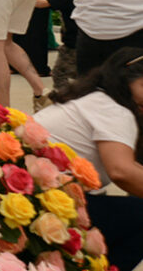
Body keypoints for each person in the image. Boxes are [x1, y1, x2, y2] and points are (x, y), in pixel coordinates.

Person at [35, 47, 143, 271]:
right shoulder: (114, 110)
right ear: (124, 79)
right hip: (41, 203)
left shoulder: (93, 97)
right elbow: (122, 172)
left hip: (36, 193)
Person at [35, 0, 80, 90]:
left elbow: (43, 3)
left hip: (72, 45)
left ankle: (65, 97)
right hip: (84, 41)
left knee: (60, 74)